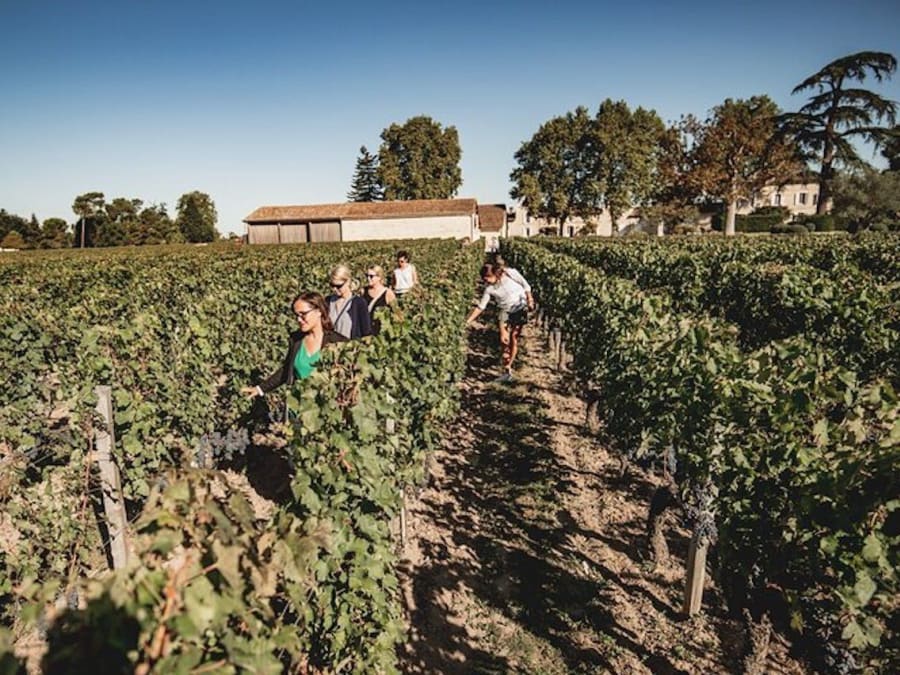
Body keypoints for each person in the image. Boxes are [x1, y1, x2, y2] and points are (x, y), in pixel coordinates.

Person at [241, 291, 347, 398]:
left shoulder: (338, 342)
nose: (299, 320)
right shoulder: (296, 339)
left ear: (319, 311)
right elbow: (286, 370)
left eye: (303, 314)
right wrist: (260, 389)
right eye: (297, 315)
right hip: (298, 407)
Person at [465, 262, 531, 382]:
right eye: (484, 279)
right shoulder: (489, 289)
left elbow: (526, 285)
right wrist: (468, 321)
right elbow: (481, 307)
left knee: (513, 338)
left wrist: (530, 299)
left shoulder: (511, 273)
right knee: (503, 339)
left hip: (520, 308)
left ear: (495, 274)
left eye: (488, 278)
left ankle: (508, 367)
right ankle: (506, 367)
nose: (486, 281)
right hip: (504, 311)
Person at [327, 264, 372, 339]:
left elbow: (366, 332)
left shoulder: (359, 303)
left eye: (338, 286)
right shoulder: (327, 301)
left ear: (348, 282)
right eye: (332, 285)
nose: (334, 289)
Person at [362, 264, 397, 336]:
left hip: (381, 333)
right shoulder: (363, 291)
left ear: (379, 277)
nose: (368, 278)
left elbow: (396, 313)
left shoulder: (388, 293)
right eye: (367, 276)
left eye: (371, 276)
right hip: (366, 331)